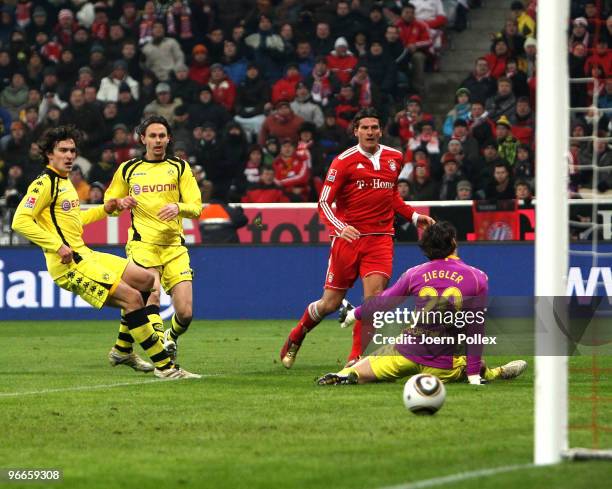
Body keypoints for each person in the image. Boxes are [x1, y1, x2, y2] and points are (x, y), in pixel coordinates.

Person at [11, 126, 199, 379]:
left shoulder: (65, 183)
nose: (69, 155)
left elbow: (74, 220)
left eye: (72, 151)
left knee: (145, 281)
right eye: (63, 150)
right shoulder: (44, 184)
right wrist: (56, 245)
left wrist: (107, 207)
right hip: (70, 264)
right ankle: (166, 368)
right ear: (49, 154)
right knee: (132, 299)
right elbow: (20, 221)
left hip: (86, 254)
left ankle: (122, 349)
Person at [279, 108, 435, 369]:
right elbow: (324, 202)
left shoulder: (395, 158)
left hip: (380, 239)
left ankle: (355, 359)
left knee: (373, 299)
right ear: (356, 131)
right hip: (348, 240)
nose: (370, 132)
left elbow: (391, 195)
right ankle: (297, 335)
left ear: (381, 130)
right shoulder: (343, 161)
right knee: (330, 303)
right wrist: (340, 227)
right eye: (365, 128)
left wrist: (414, 216)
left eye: (374, 127)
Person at [317, 221, 528, 385]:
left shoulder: (414, 273)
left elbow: (384, 302)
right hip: (443, 364)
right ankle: (493, 373)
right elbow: (476, 329)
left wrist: (355, 314)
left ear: (427, 249)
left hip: (406, 351)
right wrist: (473, 373)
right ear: (453, 242)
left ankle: (347, 374)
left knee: (367, 364)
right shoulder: (477, 277)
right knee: (474, 365)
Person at [104, 115, 202, 365]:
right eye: (152, 136)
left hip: (174, 247)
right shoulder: (128, 169)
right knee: (152, 294)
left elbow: (196, 206)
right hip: (142, 244)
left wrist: (178, 207)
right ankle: (161, 352)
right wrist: (120, 202)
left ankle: (166, 337)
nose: (157, 141)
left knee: (185, 312)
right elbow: (109, 205)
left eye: (162, 136)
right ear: (142, 139)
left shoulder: (179, 167)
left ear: (168, 139)